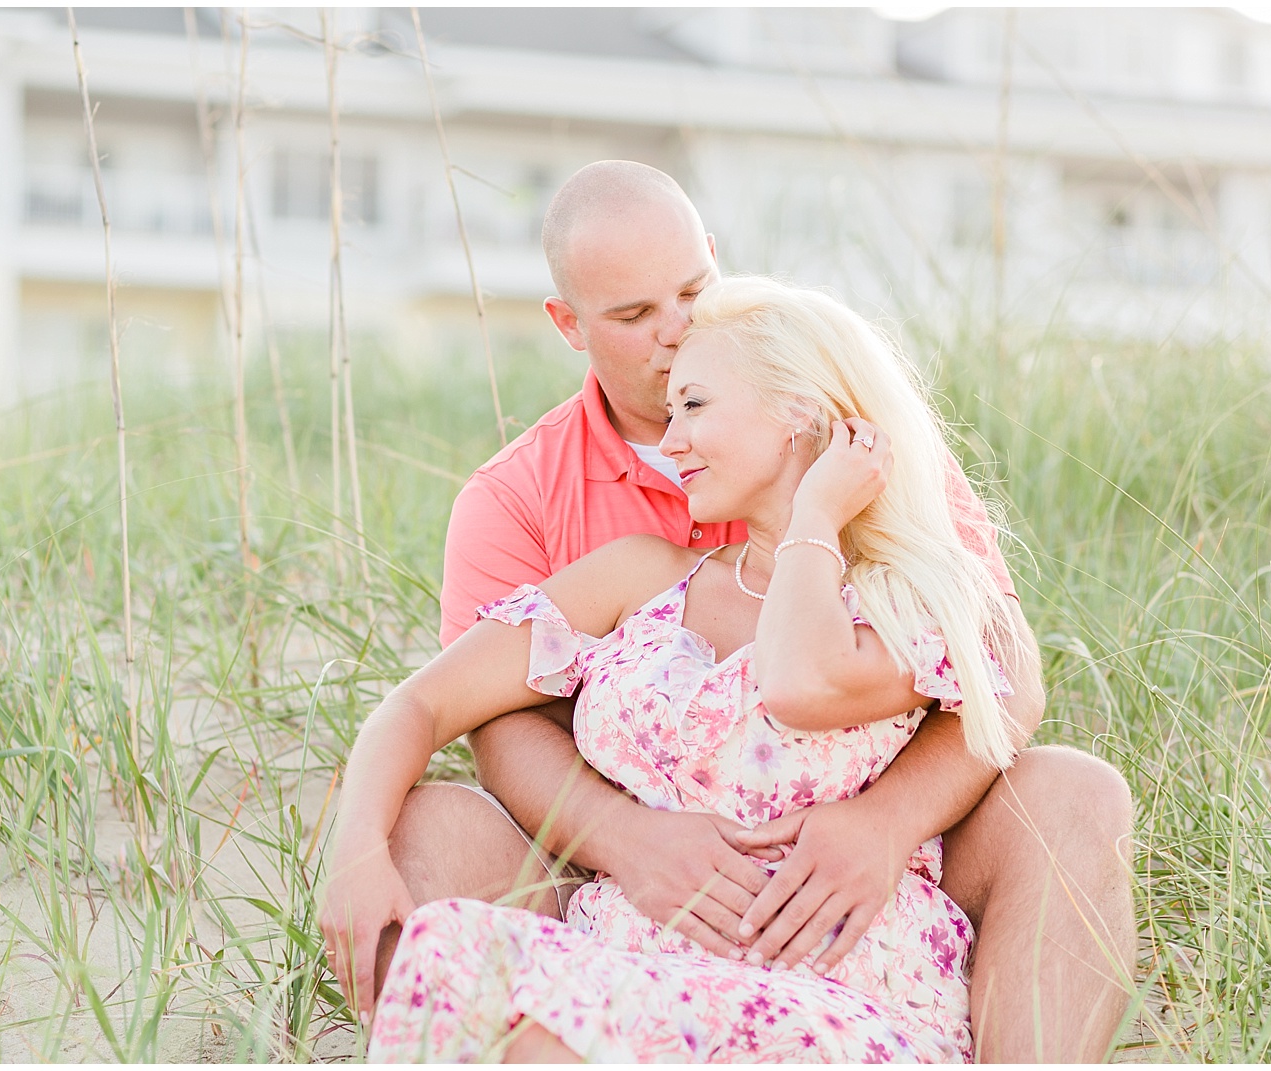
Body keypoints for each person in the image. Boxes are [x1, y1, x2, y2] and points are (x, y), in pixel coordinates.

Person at [334, 162, 1135, 1061]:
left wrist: (887, 823)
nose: (675, 332)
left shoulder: (872, 468)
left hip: (867, 880)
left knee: (1072, 790)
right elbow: (486, 720)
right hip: (613, 871)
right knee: (431, 827)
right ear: (569, 324)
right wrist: (627, 840)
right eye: (636, 316)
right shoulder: (526, 503)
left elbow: (1000, 676)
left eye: (692, 290)